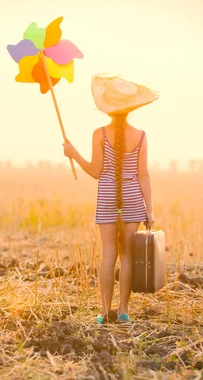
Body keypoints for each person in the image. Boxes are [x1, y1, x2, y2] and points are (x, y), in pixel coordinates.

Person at [62, 74, 158, 324]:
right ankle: (123, 311)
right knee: (127, 256)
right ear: (131, 108)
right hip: (134, 199)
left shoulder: (99, 134)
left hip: (107, 198)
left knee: (108, 255)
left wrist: (74, 154)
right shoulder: (141, 135)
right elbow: (144, 175)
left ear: (108, 107)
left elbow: (95, 172)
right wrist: (149, 209)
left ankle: (105, 313)